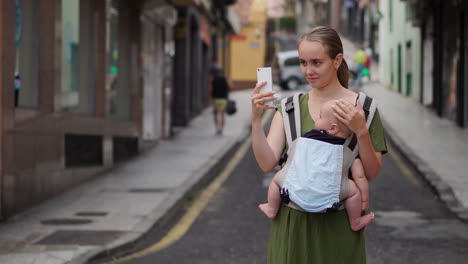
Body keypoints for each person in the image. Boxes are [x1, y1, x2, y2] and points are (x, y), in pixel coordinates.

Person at [251, 26, 387, 263]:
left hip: (338, 228)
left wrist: (361, 130)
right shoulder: (290, 108)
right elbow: (266, 163)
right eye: (303, 63)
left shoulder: (364, 109)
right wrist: (255, 120)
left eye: (316, 62)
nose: (308, 71)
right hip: (291, 226)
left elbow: (372, 172)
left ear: (337, 60)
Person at [258, 100, 374, 231]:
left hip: (295, 192)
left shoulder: (305, 139)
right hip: (330, 197)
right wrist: (364, 200)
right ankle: (355, 221)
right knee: (354, 192)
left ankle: (272, 209)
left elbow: (289, 159)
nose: (316, 119)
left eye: (320, 116)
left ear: (332, 128)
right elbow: (360, 177)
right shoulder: (347, 152)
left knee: (276, 180)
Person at [211, 65, 230, 135]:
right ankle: (221, 129)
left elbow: (210, 89)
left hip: (215, 98)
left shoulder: (213, 79)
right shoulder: (225, 79)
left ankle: (217, 128)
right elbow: (231, 86)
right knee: (222, 114)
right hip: (223, 98)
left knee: (215, 114)